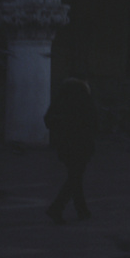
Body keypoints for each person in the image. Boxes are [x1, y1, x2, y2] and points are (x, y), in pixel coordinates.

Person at [45, 78, 98, 223]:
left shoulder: (60, 100)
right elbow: (93, 120)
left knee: (75, 177)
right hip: (81, 145)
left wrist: (61, 129)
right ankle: (57, 208)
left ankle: (82, 210)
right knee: (75, 178)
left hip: (64, 145)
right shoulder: (84, 100)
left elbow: (48, 119)